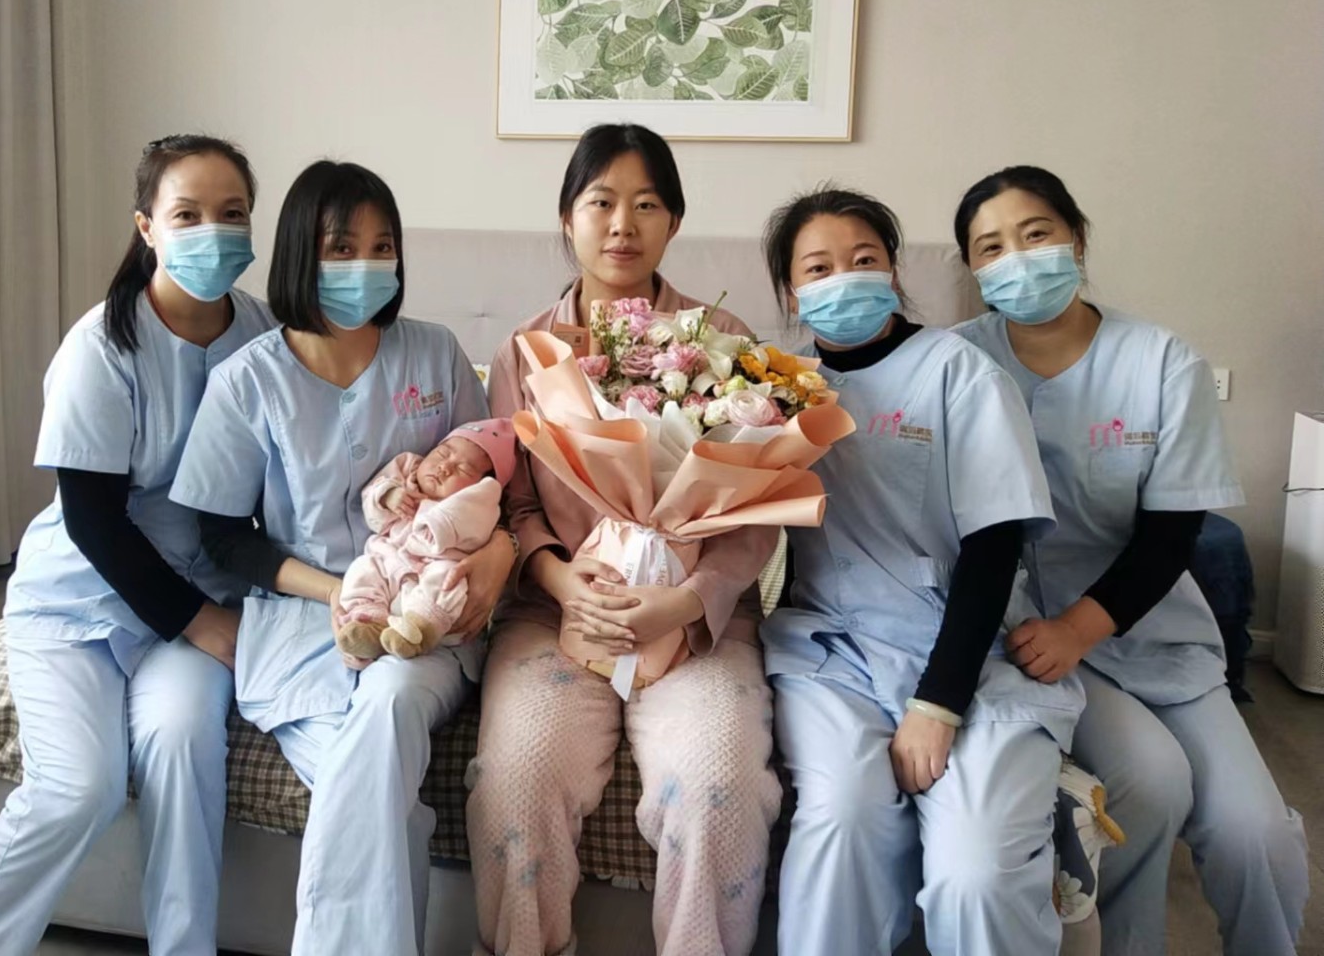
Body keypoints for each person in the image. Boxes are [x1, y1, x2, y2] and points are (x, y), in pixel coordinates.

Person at [0, 134, 276, 955]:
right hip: (83, 600)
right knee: (77, 789)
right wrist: (203, 623)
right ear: (147, 227)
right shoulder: (102, 345)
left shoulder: (264, 332)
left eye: (232, 214)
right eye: (187, 214)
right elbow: (93, 521)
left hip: (202, 591)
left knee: (183, 743)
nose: (213, 231)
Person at [952, 165, 1308, 955]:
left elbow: (1172, 535)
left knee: (1256, 833)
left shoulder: (1161, 361)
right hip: (1024, 638)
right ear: (973, 269)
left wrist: (1079, 629)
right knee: (1151, 783)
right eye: (991, 247)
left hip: (1146, 629)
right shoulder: (957, 360)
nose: (1018, 258)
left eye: (1036, 234)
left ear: (1077, 239)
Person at [169, 159, 516, 956]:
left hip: (426, 619)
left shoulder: (435, 354)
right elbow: (222, 535)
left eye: (381, 246)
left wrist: (492, 555)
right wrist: (337, 592)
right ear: (301, 253)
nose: (365, 265)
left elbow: (491, 480)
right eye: (341, 248)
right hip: (303, 620)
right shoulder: (247, 382)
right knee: (379, 799)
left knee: (390, 701)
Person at [466, 123, 782, 956]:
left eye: (646, 205)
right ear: (566, 217)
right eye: (600, 202)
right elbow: (514, 501)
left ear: (674, 221)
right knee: (518, 778)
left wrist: (686, 601)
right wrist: (563, 583)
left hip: (697, 619)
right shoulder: (525, 354)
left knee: (718, 783)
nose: (621, 225)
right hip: (556, 617)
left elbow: (757, 509)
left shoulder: (725, 344)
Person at [760, 184, 1082, 956]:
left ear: (895, 272)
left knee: (976, 873)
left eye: (864, 259)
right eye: (819, 268)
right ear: (791, 293)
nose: (844, 279)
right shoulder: (775, 391)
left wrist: (938, 705)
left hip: (969, 653)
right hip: (833, 651)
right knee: (840, 818)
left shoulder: (959, 373)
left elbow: (994, 547)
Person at [336, 419, 517, 661]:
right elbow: (372, 494)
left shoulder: (481, 502)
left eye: (464, 470)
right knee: (363, 568)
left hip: (435, 564)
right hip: (390, 559)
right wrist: (388, 495)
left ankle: (418, 631)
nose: (445, 467)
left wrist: (434, 522)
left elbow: (471, 518)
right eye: (442, 453)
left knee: (448, 581)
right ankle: (367, 622)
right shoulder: (407, 468)